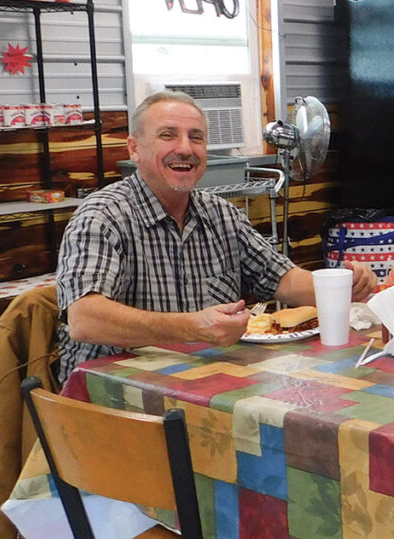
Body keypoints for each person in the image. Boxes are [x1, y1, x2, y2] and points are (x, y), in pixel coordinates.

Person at [56, 91, 376, 383]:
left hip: (205, 381)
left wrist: (342, 284)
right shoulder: (102, 217)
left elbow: (283, 279)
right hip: (111, 396)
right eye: (168, 135)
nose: (185, 148)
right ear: (134, 149)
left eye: (196, 138)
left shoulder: (221, 214)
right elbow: (85, 320)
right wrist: (193, 327)